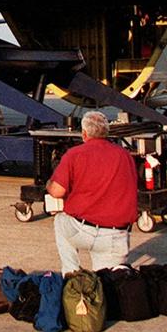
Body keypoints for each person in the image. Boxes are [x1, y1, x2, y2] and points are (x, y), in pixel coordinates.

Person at [46, 111, 137, 273]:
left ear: (84, 134)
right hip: (115, 235)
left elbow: (57, 191)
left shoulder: (75, 154)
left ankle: (71, 275)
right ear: (107, 132)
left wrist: (49, 184)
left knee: (60, 221)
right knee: (109, 285)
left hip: (82, 230)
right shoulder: (125, 155)